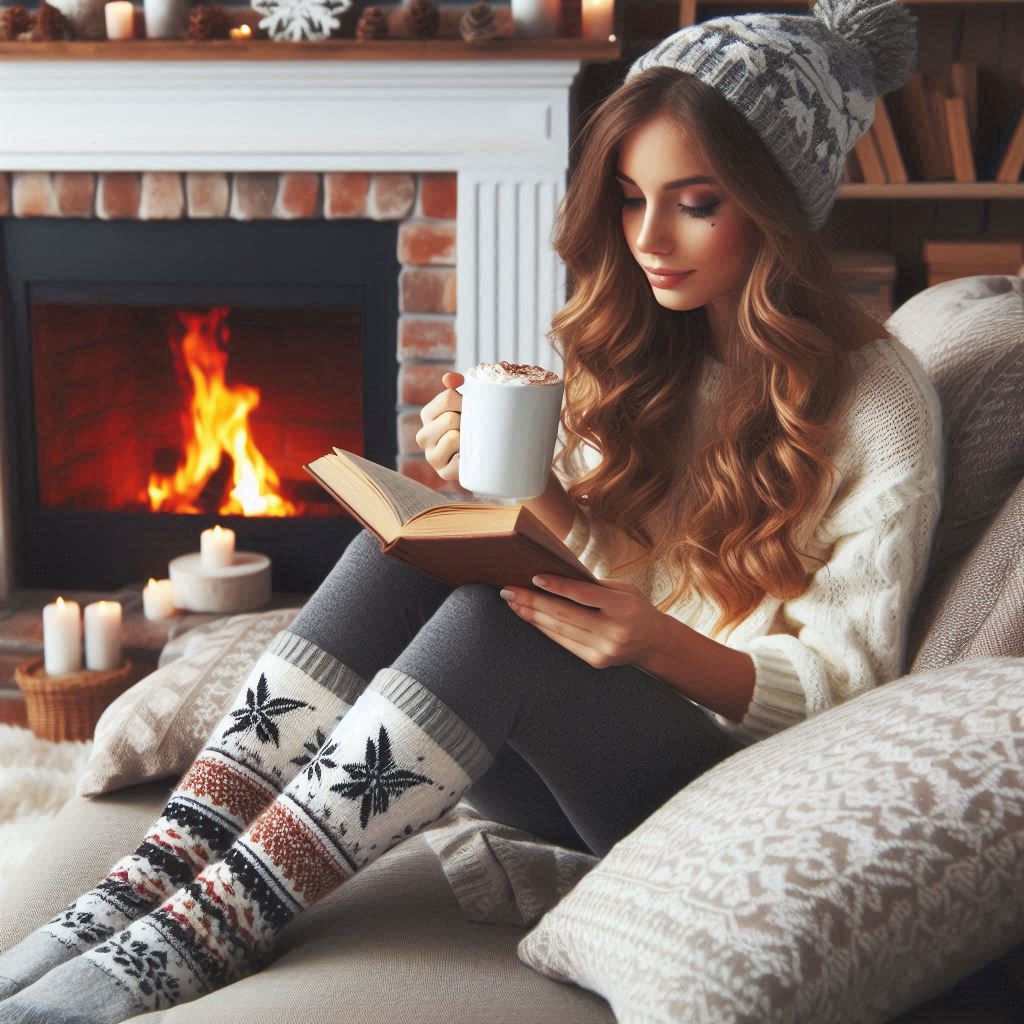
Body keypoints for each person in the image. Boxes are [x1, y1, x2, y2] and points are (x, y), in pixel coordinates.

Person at [0, 0, 943, 1019]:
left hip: (724, 784)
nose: (648, 240)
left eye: (696, 202)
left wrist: (655, 643)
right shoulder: (656, 346)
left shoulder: (876, 397)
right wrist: (526, 492)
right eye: (629, 200)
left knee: (501, 621)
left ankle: (206, 926)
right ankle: (147, 885)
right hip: (590, 739)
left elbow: (848, 683)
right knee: (397, 551)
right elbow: (617, 561)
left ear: (779, 204)